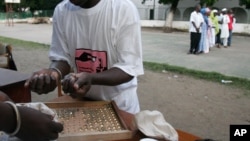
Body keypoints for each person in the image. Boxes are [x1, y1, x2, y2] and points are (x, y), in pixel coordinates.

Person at [25, 0, 144, 114]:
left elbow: (128, 68)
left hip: (120, 107)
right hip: (83, 103)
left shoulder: (123, 8)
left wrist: (91, 78)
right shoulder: (62, 11)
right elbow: (62, 57)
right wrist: (53, 73)